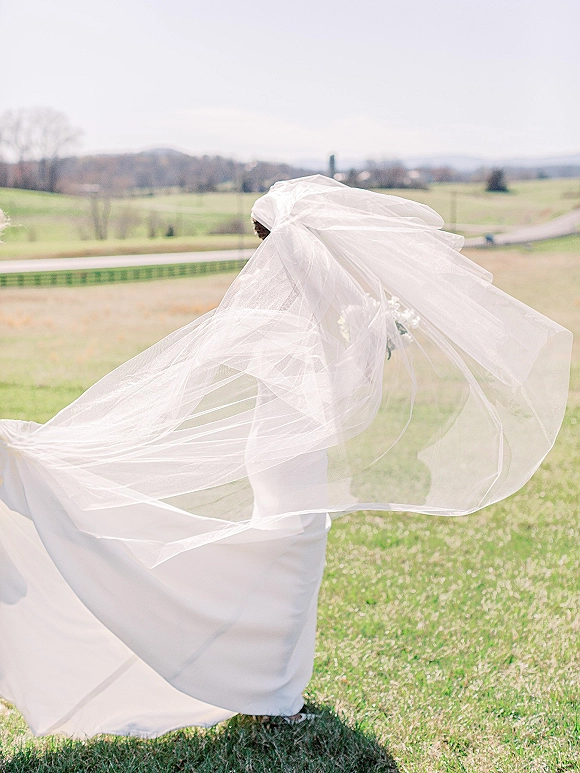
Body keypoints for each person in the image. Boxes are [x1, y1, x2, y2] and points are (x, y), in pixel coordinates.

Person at [0, 175, 572, 738]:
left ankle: (270, 691)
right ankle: (271, 696)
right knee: (288, 562)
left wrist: (373, 340)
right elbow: (323, 396)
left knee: (291, 561)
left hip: (293, 455)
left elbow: (329, 392)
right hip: (284, 458)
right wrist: (372, 347)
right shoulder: (274, 317)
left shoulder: (319, 309)